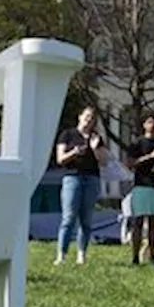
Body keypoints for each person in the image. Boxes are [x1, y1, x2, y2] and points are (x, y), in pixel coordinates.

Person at [53, 106, 109, 266]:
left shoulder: (96, 138)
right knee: (69, 218)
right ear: (80, 117)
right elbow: (60, 159)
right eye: (86, 116)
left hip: (92, 178)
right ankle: (61, 255)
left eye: (92, 118)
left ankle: (81, 254)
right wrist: (74, 152)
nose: (89, 120)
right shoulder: (68, 134)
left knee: (86, 219)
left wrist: (94, 148)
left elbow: (104, 162)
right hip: (72, 178)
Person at [125, 114, 154, 265]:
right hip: (141, 184)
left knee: (153, 222)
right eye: (149, 122)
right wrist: (150, 156)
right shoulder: (137, 144)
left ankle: (153, 256)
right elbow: (130, 164)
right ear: (144, 124)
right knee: (138, 221)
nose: (153, 125)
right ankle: (135, 257)